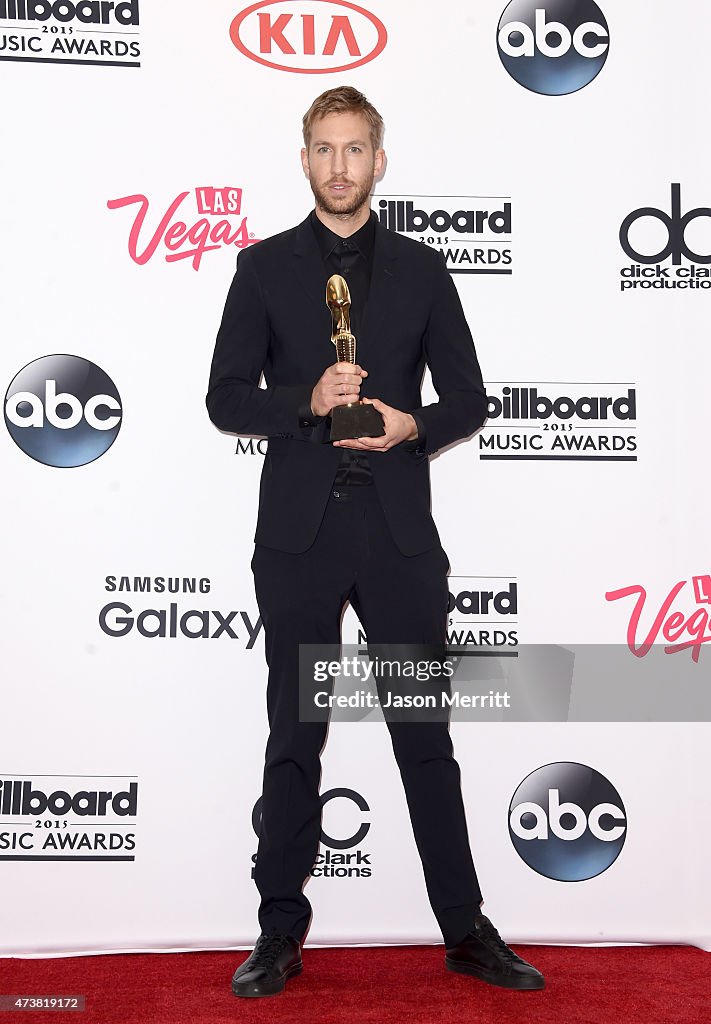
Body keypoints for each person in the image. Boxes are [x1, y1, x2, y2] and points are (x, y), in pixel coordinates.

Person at [206, 86, 544, 997]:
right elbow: (225, 398)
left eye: (356, 149)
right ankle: (278, 930)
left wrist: (409, 427)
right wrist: (304, 403)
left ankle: (465, 928)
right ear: (303, 159)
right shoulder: (263, 267)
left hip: (397, 537)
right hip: (299, 539)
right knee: (295, 733)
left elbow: (470, 402)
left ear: (379, 161)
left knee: (422, 734)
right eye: (324, 148)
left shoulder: (423, 270)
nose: (340, 166)